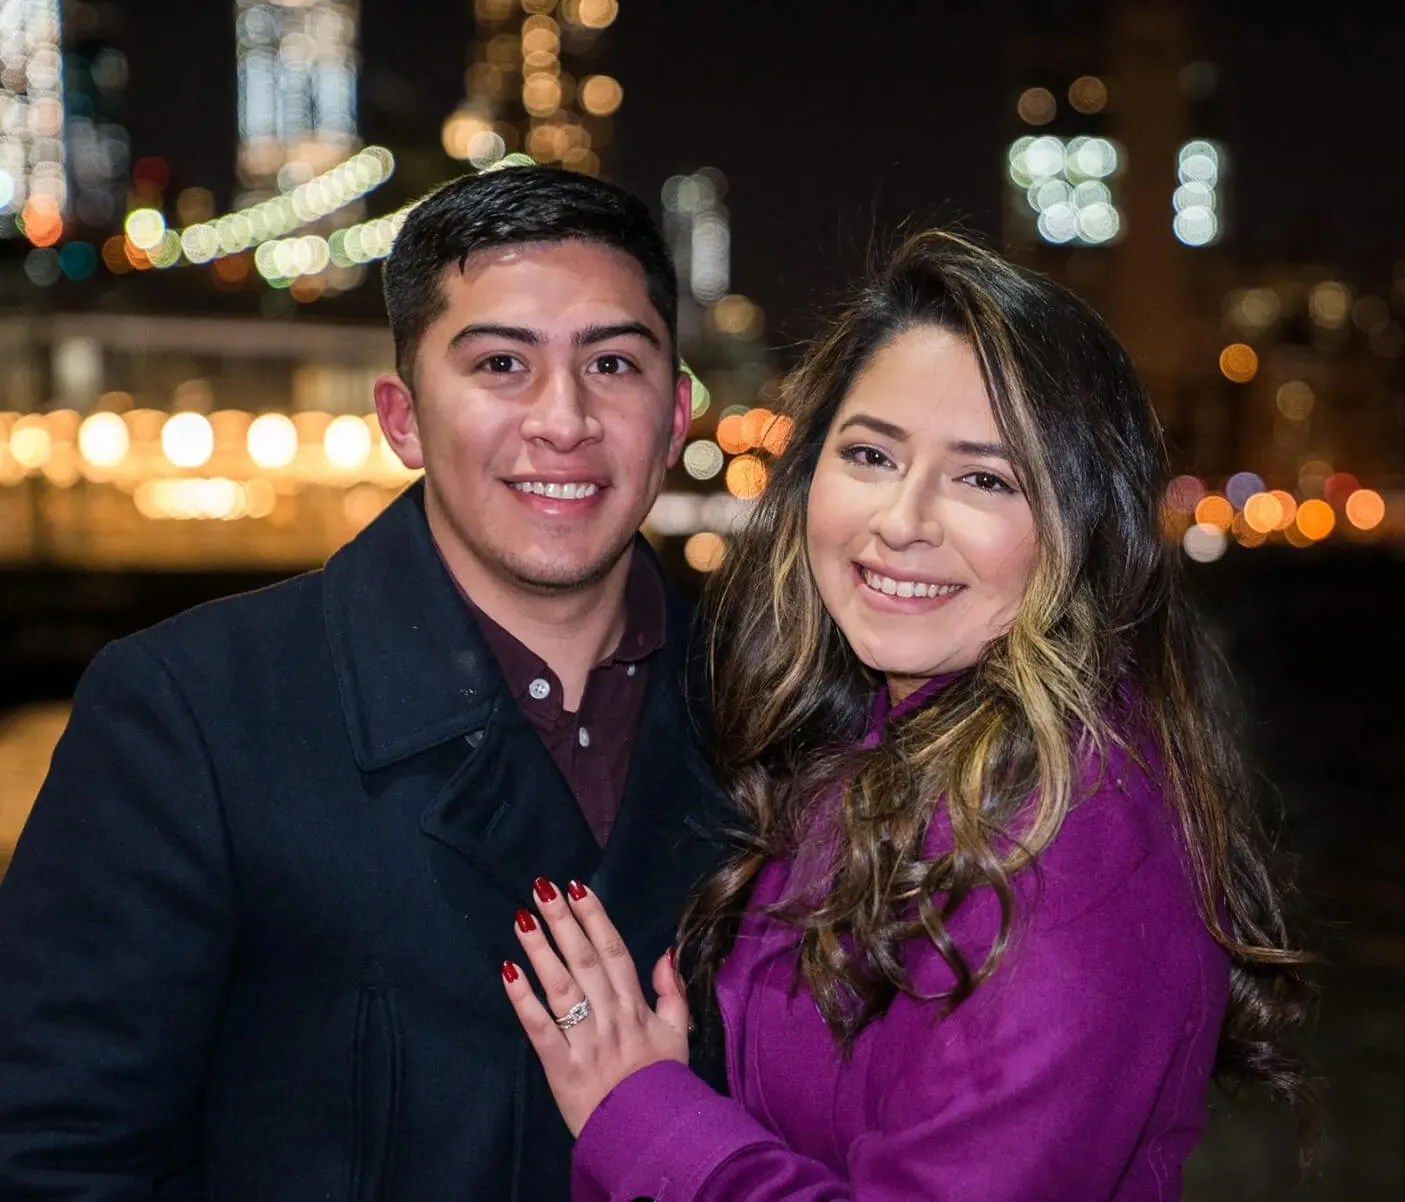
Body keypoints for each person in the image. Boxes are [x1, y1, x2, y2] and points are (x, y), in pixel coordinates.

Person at [498, 230, 1317, 1199]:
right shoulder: (875, 753)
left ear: (1083, 525)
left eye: (984, 477)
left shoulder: (1076, 847)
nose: (902, 519)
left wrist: (640, 1109)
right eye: (872, 454)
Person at [0, 166, 731, 1200]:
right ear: (402, 417)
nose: (563, 419)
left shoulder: (780, 719)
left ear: (676, 415)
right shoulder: (192, 712)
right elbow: (55, 1156)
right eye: (501, 365)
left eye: (612, 362)